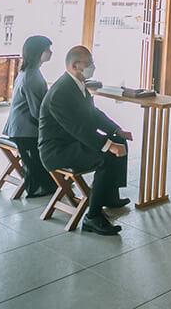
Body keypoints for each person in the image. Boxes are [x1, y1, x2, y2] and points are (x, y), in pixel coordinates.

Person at [38, 46, 132, 236]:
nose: (93, 67)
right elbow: (78, 129)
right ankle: (93, 217)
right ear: (75, 65)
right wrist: (108, 146)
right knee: (105, 156)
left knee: (119, 143)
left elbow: (94, 114)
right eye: (88, 63)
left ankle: (110, 195)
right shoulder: (61, 92)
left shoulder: (78, 83)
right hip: (57, 150)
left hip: (72, 142)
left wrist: (116, 131)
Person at [1, 35, 57, 198]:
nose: (50, 52)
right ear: (38, 52)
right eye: (47, 49)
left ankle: (53, 182)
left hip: (20, 126)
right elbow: (37, 112)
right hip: (25, 131)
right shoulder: (32, 76)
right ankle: (42, 186)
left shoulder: (28, 71)